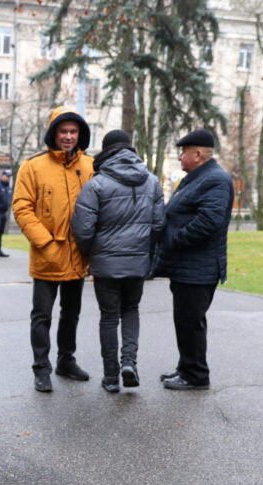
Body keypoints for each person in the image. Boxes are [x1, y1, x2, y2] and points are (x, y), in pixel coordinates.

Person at [71, 130, 164, 393]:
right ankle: (129, 363)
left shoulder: (96, 184)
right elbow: (158, 224)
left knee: (109, 317)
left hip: (105, 264)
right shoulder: (152, 182)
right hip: (137, 262)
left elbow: (83, 229)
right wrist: (145, 250)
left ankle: (111, 377)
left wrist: (92, 252)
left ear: (106, 152)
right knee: (131, 311)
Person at [12, 106, 95, 392]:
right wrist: (45, 242)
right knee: (42, 315)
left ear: (80, 134)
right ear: (54, 133)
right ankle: (41, 368)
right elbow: (22, 207)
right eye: (64, 131)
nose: (69, 137)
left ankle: (66, 360)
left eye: (73, 131)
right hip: (47, 256)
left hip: (78, 256)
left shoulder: (91, 166)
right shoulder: (32, 166)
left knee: (71, 314)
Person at [152, 129, 234, 391]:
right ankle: (186, 367)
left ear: (197, 154)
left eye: (183, 152)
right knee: (185, 320)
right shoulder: (197, 178)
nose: (179, 157)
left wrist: (175, 240)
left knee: (191, 321)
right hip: (188, 266)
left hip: (199, 267)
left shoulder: (215, 180)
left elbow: (209, 222)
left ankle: (196, 375)